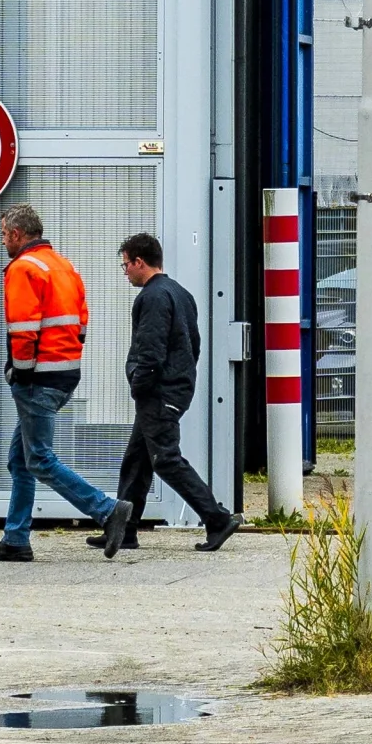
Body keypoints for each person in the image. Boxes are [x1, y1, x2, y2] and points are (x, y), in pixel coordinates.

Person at [0, 202, 113, 562]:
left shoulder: (22, 267)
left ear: (15, 234)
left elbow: (23, 328)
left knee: (39, 459)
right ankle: (15, 539)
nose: (3, 242)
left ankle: (106, 509)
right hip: (66, 369)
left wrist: (20, 372)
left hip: (38, 376)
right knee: (20, 459)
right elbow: (82, 319)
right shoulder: (63, 264)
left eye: (3, 235)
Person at [99, 232, 238, 556]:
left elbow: (150, 349)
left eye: (126, 266)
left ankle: (216, 518)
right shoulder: (181, 293)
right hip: (171, 387)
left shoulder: (152, 297)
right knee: (137, 461)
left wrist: (139, 384)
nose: (125, 273)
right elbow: (194, 344)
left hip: (159, 392)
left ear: (139, 262)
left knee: (166, 459)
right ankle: (124, 529)